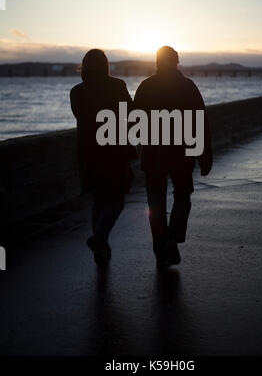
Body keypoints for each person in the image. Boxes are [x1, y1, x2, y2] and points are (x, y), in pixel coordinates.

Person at [133, 46, 212, 267]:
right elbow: (200, 123)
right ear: (177, 62)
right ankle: (172, 237)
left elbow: (134, 122)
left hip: (154, 153)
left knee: (155, 202)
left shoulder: (146, 86)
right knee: (183, 195)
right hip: (181, 153)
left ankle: (161, 247)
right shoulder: (188, 87)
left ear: (157, 62)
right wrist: (205, 156)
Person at [70, 49, 136, 265]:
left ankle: (101, 248)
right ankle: (99, 239)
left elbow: (83, 119)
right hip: (113, 151)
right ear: (106, 65)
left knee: (99, 199)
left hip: (88, 153)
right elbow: (130, 114)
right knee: (116, 200)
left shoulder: (76, 92)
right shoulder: (117, 86)